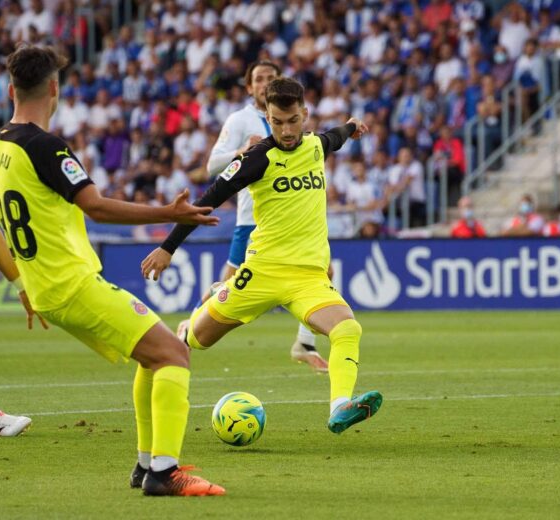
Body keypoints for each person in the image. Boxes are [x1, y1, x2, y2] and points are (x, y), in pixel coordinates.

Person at [0, 46, 223, 496]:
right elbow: (94, 206)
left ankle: (146, 464)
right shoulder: (44, 146)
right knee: (174, 354)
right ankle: (165, 474)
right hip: (71, 284)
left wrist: (19, 282)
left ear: (11, 89)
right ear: (55, 89)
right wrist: (169, 212)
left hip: (48, 287)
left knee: (153, 354)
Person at [140, 77, 383, 435]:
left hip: (308, 279)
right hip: (261, 273)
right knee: (199, 339)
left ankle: (339, 406)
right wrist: (167, 247)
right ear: (267, 117)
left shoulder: (316, 146)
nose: (285, 130)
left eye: (293, 120)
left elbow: (336, 135)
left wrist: (352, 126)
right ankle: (188, 325)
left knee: (348, 327)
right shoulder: (257, 159)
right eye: (276, 122)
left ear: (305, 114)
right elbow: (208, 198)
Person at [201, 60, 329, 372]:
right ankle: (191, 326)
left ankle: (304, 343)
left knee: (324, 273)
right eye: (258, 78)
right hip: (252, 220)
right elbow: (211, 166)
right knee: (227, 290)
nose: (264, 83)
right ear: (249, 87)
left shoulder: (290, 117)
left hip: (290, 220)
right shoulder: (240, 119)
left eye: (270, 78)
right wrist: (241, 152)